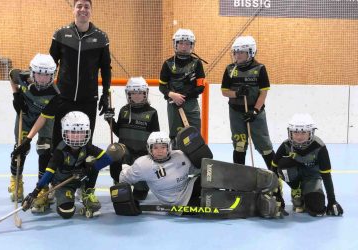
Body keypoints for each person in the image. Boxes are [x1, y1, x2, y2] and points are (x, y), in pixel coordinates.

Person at [12, 0, 111, 200]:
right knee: (58, 143)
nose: (83, 9)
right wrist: (25, 93)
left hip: (88, 99)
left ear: (91, 11)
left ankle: (84, 186)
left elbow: (105, 68)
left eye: (87, 6)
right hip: (62, 97)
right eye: (79, 6)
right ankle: (52, 184)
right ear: (74, 9)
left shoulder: (101, 37)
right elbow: (50, 65)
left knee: (84, 142)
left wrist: (106, 95)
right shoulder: (60, 34)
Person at [110, 131, 282, 219]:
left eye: (163, 146)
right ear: (149, 149)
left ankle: (259, 182)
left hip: (190, 187)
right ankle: (260, 204)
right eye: (156, 147)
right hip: (178, 203)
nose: (160, 151)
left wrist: (204, 160)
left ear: (169, 147)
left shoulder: (180, 156)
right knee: (213, 197)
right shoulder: (142, 165)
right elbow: (124, 178)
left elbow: (198, 169)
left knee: (211, 171)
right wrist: (121, 162)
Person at [22, 111, 113, 218]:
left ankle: (87, 192)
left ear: (87, 132)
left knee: (92, 161)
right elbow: (48, 173)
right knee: (66, 212)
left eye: (81, 132)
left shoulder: (88, 147)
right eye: (73, 132)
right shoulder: (60, 151)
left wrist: (87, 170)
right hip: (64, 183)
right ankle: (60, 195)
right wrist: (35, 192)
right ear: (65, 132)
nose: (77, 136)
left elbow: (107, 159)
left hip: (81, 179)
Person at [8, 53, 57, 209]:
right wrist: (16, 95)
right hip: (26, 117)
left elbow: (43, 118)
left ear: (53, 75)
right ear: (32, 72)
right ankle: (16, 181)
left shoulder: (55, 94)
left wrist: (29, 139)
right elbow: (12, 74)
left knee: (45, 149)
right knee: (19, 150)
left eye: (47, 75)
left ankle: (42, 188)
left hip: (46, 120)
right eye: (39, 74)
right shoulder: (22, 77)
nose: (43, 79)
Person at [271, 113, 343, 217]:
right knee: (284, 165)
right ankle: (296, 190)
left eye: (304, 132)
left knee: (317, 210)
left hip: (312, 178)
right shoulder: (286, 145)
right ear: (290, 132)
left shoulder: (319, 147)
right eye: (295, 132)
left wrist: (332, 201)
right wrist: (276, 194)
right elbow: (274, 168)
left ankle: (307, 193)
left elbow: (326, 176)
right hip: (294, 176)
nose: (299, 137)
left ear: (311, 132)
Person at [221, 35, 275, 170]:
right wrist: (237, 94)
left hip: (255, 112)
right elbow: (224, 91)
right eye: (235, 52)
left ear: (250, 52)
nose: (237, 55)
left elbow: (263, 93)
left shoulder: (260, 69)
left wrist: (255, 111)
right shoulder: (229, 69)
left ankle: (276, 177)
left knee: (265, 146)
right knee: (239, 144)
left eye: (241, 52)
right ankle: (239, 178)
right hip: (235, 112)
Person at [104, 77, 160, 200]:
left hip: (143, 154)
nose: (137, 96)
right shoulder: (124, 110)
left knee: (140, 196)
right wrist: (110, 120)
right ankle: (119, 180)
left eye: (140, 92)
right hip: (126, 151)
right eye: (133, 93)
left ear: (145, 93)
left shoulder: (152, 112)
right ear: (128, 94)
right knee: (114, 152)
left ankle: (141, 185)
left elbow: (155, 137)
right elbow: (120, 132)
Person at [159, 28, 207, 148]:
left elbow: (201, 87)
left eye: (187, 43)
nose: (184, 47)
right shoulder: (168, 63)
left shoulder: (197, 63)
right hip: (173, 105)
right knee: (176, 137)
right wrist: (172, 95)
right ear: (175, 44)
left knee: (194, 136)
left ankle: (195, 164)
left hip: (191, 104)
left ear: (192, 45)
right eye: (181, 43)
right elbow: (162, 86)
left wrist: (183, 95)